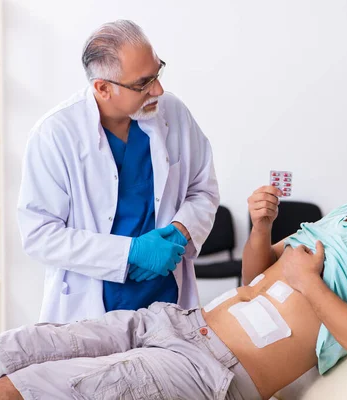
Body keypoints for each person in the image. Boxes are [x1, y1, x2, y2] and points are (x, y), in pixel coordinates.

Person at [0, 114, 347, 400]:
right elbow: (255, 278)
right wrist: (262, 227)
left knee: (24, 390)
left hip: (210, 371)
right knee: (14, 350)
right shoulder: (339, 218)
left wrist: (310, 283)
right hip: (177, 323)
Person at [17, 20, 219, 323]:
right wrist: (129, 252)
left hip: (166, 296)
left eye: (158, 72)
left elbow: (203, 189)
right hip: (92, 305)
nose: (159, 89)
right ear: (103, 88)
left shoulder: (173, 112)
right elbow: (39, 234)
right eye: (143, 83)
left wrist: (181, 230)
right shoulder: (55, 134)